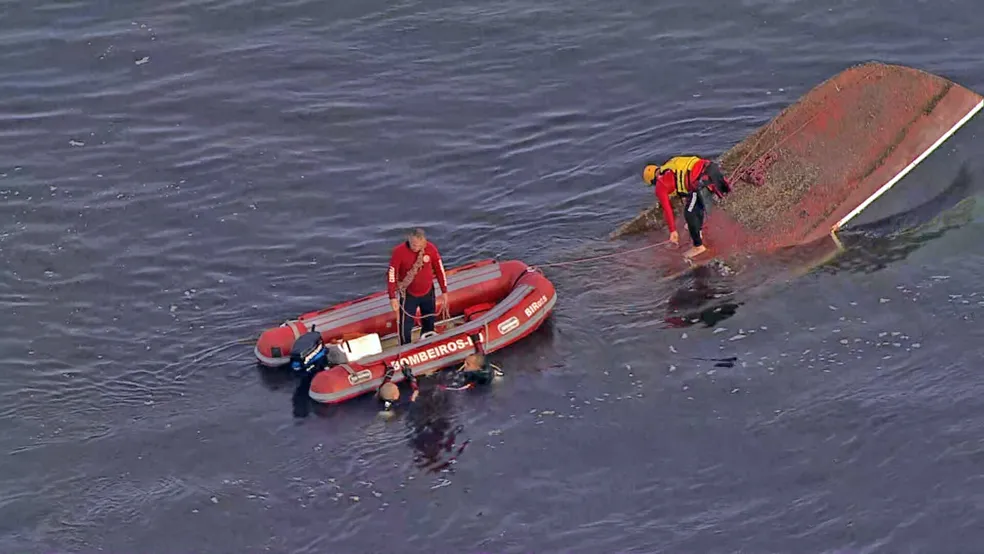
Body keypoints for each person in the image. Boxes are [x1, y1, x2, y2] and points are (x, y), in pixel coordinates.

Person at [642, 155, 732, 259]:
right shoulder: (670, 165)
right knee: (695, 205)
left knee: (689, 213)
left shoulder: (660, 185)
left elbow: (667, 210)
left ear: (653, 181)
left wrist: (673, 231)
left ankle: (698, 247)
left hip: (701, 180)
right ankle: (698, 230)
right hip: (712, 168)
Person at [387, 228, 449, 345]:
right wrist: (392, 297)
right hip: (409, 294)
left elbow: (439, 269)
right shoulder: (399, 252)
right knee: (406, 325)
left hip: (428, 292)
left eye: (418, 245)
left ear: (423, 242)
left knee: (429, 320)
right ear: (409, 240)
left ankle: (427, 342)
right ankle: (405, 347)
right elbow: (392, 273)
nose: (415, 247)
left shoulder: (430, 249)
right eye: (413, 244)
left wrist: (444, 291)